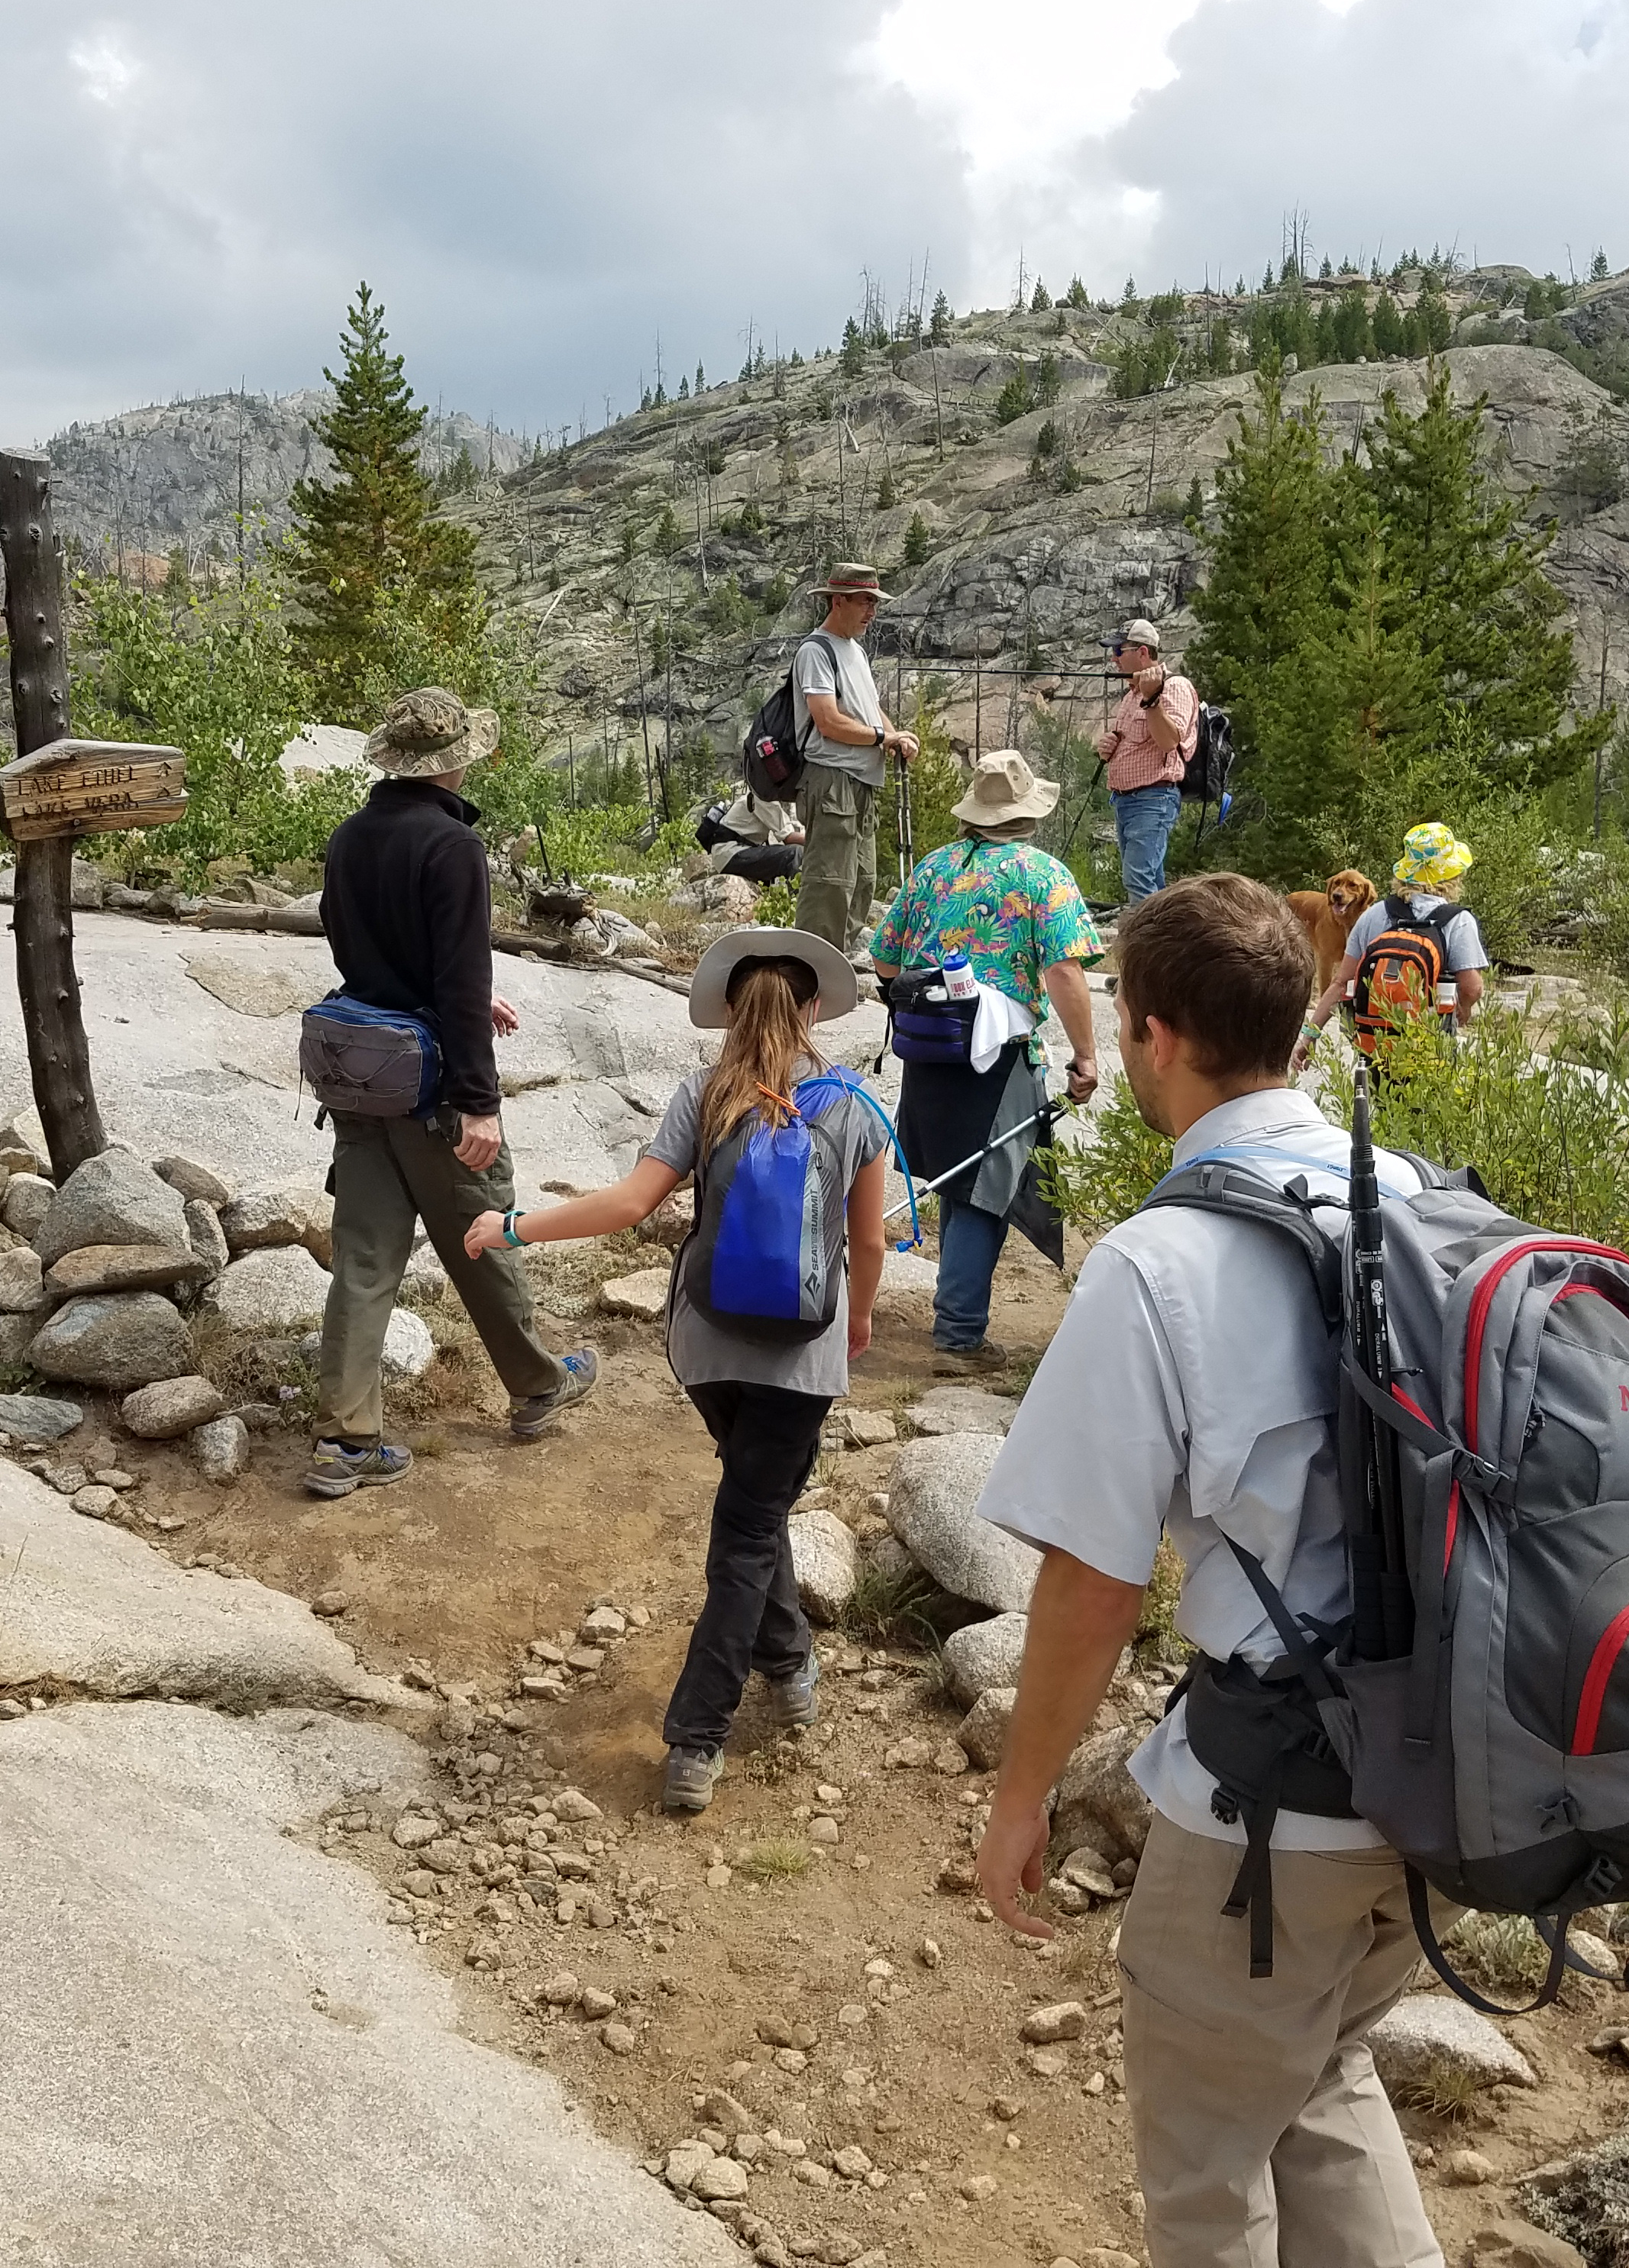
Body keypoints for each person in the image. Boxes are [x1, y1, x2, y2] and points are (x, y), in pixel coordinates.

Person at [972, 871, 1450, 2268]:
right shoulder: (1417, 1196)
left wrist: (1020, 1797)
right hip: (1441, 1767)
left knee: (1205, 2171)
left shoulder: (1156, 1261)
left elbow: (1091, 1581)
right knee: (1317, 2077)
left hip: (1272, 1805)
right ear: (1300, 1030)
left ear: (1151, 1034)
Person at [461, 928, 888, 1814]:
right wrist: (860, 1322)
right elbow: (871, 1240)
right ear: (815, 1010)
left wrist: (511, 1226)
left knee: (750, 1512)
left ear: (730, 1010)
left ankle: (788, 1660)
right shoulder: (857, 1105)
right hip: (802, 1357)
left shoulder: (706, 1094)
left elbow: (628, 1206)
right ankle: (699, 1739)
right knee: (748, 1528)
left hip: (706, 1348)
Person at [307, 687, 599, 1497]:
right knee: (484, 1231)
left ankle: (345, 1440)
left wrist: (442, 1002)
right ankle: (539, 1387)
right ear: (454, 759)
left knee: (364, 1261)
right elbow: (459, 971)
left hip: (366, 1075)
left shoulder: (350, 837)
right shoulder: (452, 847)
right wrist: (480, 1100)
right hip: (435, 1088)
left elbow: (361, 958)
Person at [866, 749, 1104, 1372]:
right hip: (995, 1054)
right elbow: (1063, 972)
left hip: (928, 1045)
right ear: (1027, 813)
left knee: (957, 1176)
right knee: (983, 1187)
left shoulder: (934, 869)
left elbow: (885, 959)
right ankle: (958, 1334)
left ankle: (957, 1314)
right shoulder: (1042, 875)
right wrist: (1086, 1056)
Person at [790, 564, 920, 956]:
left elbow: (868, 709)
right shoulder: (816, 651)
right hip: (832, 781)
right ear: (838, 601)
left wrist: (894, 737)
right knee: (830, 881)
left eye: (874, 603)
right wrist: (883, 737)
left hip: (860, 783)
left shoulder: (856, 652)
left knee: (862, 880)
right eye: (865, 602)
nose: (871, 611)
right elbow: (827, 721)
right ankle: (810, 967)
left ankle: (838, 963)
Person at [1304, 822, 1486, 1038]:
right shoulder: (1458, 920)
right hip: (1428, 1035)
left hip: (1375, 1035)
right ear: (1451, 876)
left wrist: (1309, 1037)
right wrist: (1463, 1008)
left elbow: (1341, 983)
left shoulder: (1374, 915)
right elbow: (1472, 988)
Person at [1096, 617, 1198, 905]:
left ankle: (1144, 947)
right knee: (1150, 878)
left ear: (1142, 652)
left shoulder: (1175, 687)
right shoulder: (1131, 695)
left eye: (1119, 651)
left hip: (1154, 797)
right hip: (1126, 801)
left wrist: (1152, 699)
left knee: (1137, 877)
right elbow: (1136, 743)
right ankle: (1166, 944)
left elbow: (1169, 741)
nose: (1114, 659)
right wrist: (1108, 749)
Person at [693, 784, 805, 885]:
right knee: (794, 854)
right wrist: (819, 842)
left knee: (779, 858)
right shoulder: (763, 798)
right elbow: (789, 838)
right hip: (732, 853)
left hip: (730, 854)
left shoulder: (757, 794)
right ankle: (800, 903)